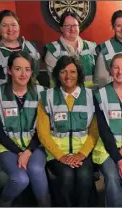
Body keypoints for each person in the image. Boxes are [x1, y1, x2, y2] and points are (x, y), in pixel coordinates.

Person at [0, 51, 50, 206]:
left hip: (35, 144)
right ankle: (3, 202)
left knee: (35, 169)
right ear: (9, 70)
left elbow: (43, 129)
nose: (23, 74)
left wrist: (28, 151)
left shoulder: (42, 93)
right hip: (7, 146)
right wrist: (19, 152)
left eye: (27, 69)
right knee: (20, 179)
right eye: (18, 69)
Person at [37, 56, 98, 206]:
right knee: (66, 175)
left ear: (79, 74)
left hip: (84, 152)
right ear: (57, 74)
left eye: (72, 71)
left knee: (84, 175)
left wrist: (81, 154)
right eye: (63, 71)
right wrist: (61, 156)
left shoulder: (92, 96)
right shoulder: (47, 97)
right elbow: (43, 133)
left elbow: (95, 132)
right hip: (57, 153)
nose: (68, 76)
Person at [93, 54, 122, 207]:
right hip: (107, 148)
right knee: (112, 177)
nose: (120, 71)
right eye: (116, 67)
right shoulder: (99, 95)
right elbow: (103, 129)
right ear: (110, 70)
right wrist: (118, 157)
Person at [0, 10, 40, 88]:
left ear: (19, 26)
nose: (10, 29)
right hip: (2, 98)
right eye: (5, 25)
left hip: (30, 96)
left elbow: (35, 72)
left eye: (13, 25)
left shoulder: (31, 46)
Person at [44, 11, 97, 88]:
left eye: (75, 25)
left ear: (79, 27)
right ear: (61, 28)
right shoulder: (53, 50)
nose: (72, 29)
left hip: (90, 95)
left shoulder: (92, 47)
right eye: (67, 26)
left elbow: (99, 76)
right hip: (64, 96)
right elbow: (55, 80)